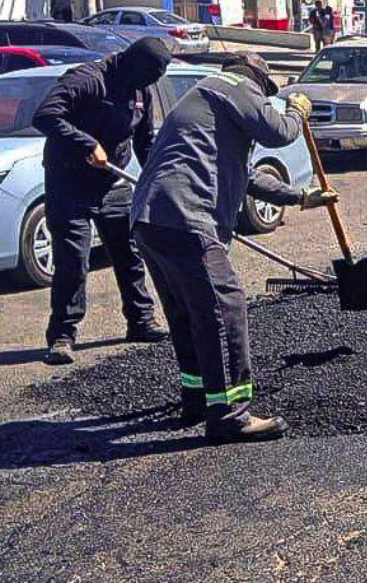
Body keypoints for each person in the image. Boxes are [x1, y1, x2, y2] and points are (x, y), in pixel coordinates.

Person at [130, 51, 337, 443]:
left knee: (188, 313)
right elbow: (281, 132)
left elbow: (246, 176)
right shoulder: (234, 86)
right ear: (257, 82)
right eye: (266, 97)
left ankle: (197, 397)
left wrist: (300, 197)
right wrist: (296, 111)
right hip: (184, 215)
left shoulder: (208, 106)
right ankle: (230, 413)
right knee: (225, 306)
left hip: (152, 220)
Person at [31, 37, 172, 365]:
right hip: (69, 185)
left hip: (113, 184)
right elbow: (46, 116)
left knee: (129, 254)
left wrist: (158, 178)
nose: (149, 83)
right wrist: (86, 144)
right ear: (132, 63)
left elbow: (145, 140)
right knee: (73, 260)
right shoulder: (87, 80)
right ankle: (63, 335)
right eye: (148, 76)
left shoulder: (140, 91)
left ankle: (140, 321)